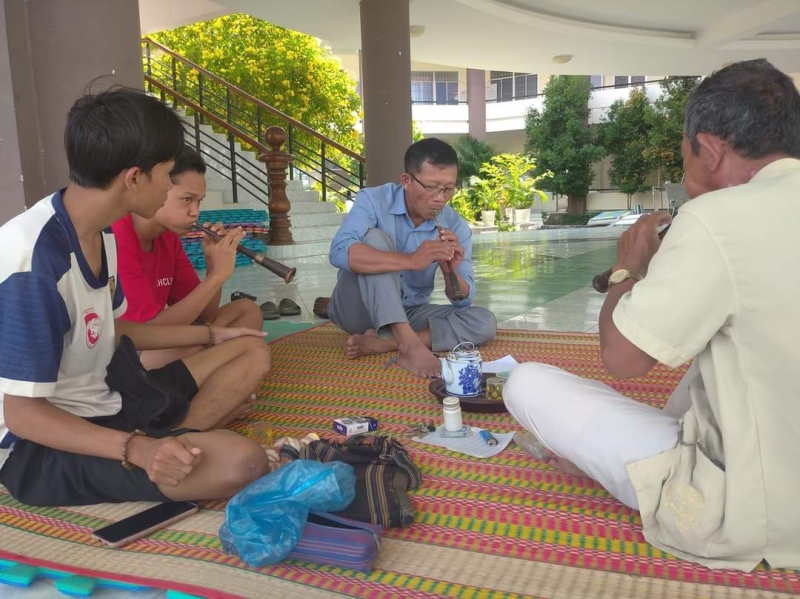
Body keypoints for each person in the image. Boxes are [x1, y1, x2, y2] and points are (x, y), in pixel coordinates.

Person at [503, 59, 800, 571]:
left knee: (526, 383)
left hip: (755, 513)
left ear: (709, 149)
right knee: (719, 350)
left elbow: (622, 359)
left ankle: (645, 473)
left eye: (685, 161)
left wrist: (629, 268)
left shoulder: (716, 217)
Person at [0, 87, 272, 507]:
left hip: (110, 396)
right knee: (241, 462)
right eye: (167, 174)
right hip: (41, 446)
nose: (168, 187)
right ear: (134, 178)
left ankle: (169, 443)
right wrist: (137, 449)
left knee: (250, 352)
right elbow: (22, 415)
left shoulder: (100, 232)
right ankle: (164, 446)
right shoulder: (32, 260)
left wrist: (214, 336)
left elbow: (114, 329)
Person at [324, 138, 496, 378]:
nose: (440, 198)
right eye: (432, 187)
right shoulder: (373, 200)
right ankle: (408, 344)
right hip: (358, 309)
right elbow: (339, 251)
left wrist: (450, 271)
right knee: (374, 238)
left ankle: (388, 342)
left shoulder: (454, 224)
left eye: (448, 189)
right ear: (406, 180)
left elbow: (462, 301)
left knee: (484, 321)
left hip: (410, 311)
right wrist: (411, 260)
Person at [112, 144, 264, 371]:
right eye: (186, 199)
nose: (195, 212)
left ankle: (215, 366)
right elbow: (149, 333)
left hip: (163, 341)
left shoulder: (168, 237)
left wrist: (213, 269)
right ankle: (222, 366)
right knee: (236, 346)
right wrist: (217, 277)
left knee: (246, 310)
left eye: (199, 201)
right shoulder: (118, 235)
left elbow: (206, 315)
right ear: (158, 188)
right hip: (132, 350)